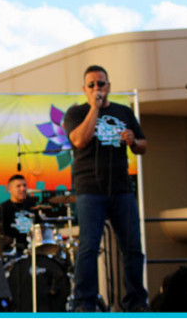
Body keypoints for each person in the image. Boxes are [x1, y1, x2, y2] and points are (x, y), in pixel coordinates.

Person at [63, 64, 149, 312]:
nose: (97, 88)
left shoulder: (123, 111)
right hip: (90, 189)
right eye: (91, 85)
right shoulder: (76, 113)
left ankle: (135, 302)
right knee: (89, 247)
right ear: (84, 89)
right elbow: (79, 140)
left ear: (108, 86)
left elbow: (143, 145)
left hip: (121, 188)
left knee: (132, 247)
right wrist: (94, 108)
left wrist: (133, 140)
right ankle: (84, 304)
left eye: (101, 84)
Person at [0, 174, 39, 254]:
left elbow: (41, 227)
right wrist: (2, 238)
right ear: (10, 189)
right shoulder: (2, 208)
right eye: (18, 186)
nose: (23, 189)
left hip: (33, 251)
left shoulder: (33, 207)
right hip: (11, 252)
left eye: (24, 185)